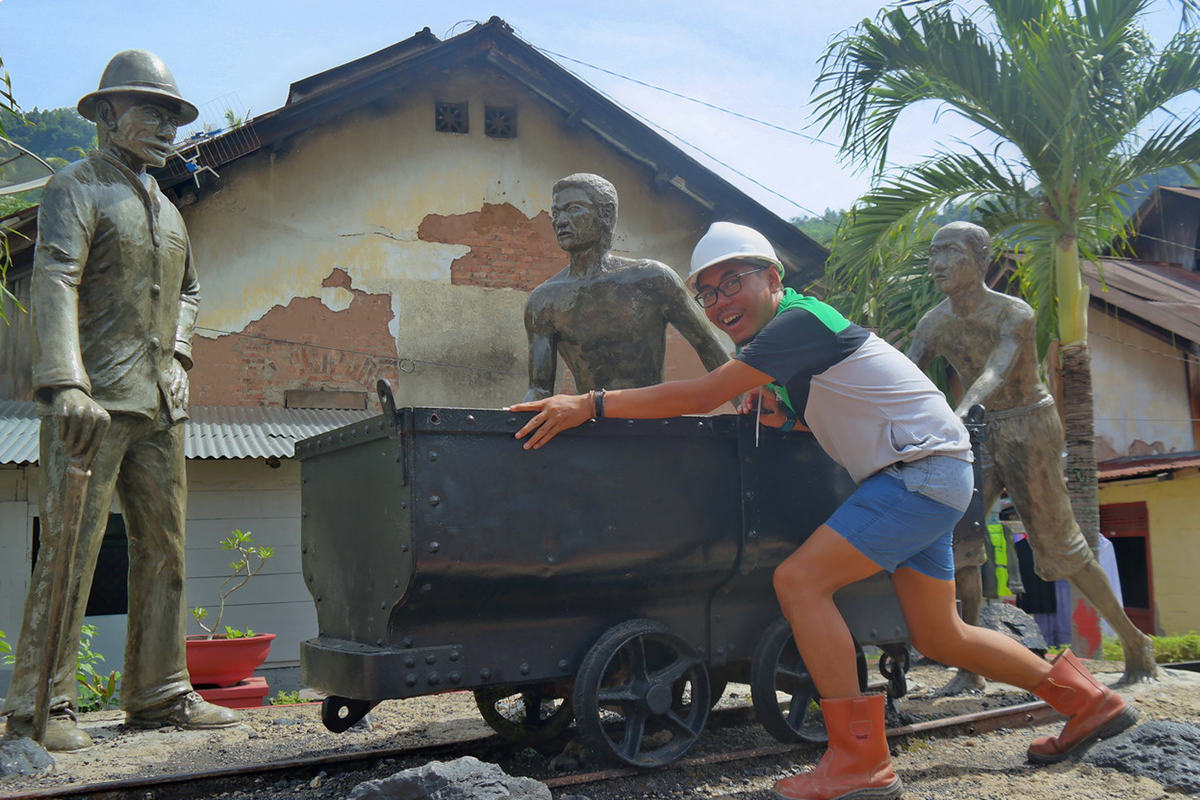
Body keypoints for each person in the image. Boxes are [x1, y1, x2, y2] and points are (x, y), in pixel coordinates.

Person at [510, 221, 1137, 800]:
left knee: (800, 581)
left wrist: (587, 405)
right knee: (940, 634)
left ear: (774, 280)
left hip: (917, 474)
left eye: (734, 281)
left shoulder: (798, 323)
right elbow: (836, 413)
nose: (721, 301)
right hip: (932, 474)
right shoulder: (792, 348)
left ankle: (860, 759)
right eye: (707, 294)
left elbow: (703, 393)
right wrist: (780, 411)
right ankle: (1088, 701)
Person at [1, 50, 238, 751]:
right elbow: (55, 279)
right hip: (93, 401)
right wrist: (65, 381)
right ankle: (41, 706)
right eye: (150, 112)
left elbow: (189, 293)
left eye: (173, 117)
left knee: (164, 545)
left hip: (162, 406)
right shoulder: (75, 188)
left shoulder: (169, 211)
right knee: (72, 545)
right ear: (106, 115)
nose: (165, 128)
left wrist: (182, 354)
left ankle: (160, 692)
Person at [908, 222, 1156, 692]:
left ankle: (1135, 641)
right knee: (960, 542)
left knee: (1060, 545)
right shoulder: (933, 322)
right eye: (933, 254)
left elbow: (995, 372)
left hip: (1028, 426)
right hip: (977, 434)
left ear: (980, 261)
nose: (937, 264)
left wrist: (959, 412)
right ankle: (971, 666)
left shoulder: (1013, 312)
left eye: (950, 253)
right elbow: (904, 372)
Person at [522, 173, 729, 401]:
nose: (560, 221)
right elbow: (538, 390)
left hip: (650, 423)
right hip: (591, 427)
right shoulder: (544, 300)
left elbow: (710, 349)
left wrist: (748, 413)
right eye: (556, 213)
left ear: (606, 214)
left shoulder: (651, 278)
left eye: (573, 209)